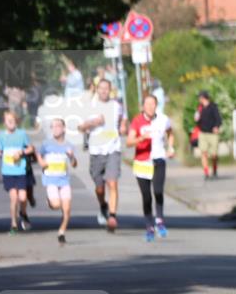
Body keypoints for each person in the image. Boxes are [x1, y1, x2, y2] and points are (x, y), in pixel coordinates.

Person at [77, 79, 126, 232]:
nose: (104, 91)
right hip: (96, 150)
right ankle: (103, 205)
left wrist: (124, 125)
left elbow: (123, 118)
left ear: (110, 90)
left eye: (107, 88)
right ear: (97, 90)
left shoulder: (116, 105)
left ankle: (112, 216)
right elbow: (80, 127)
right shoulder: (89, 106)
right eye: (101, 88)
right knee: (99, 188)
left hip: (113, 149)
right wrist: (92, 123)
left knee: (112, 183)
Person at [126, 93, 175, 242]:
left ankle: (159, 220)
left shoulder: (163, 119)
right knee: (146, 196)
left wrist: (171, 148)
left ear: (156, 105)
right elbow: (129, 142)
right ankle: (149, 226)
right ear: (143, 106)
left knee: (158, 191)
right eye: (147, 104)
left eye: (153, 104)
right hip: (142, 163)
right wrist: (141, 138)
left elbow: (170, 133)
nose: (150, 107)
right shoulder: (137, 121)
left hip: (158, 160)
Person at [0, 110, 35, 234]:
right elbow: (0, 152)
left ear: (16, 121)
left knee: (23, 197)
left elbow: (31, 148)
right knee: (14, 198)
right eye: (8, 120)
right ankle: (14, 224)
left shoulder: (22, 134)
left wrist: (22, 152)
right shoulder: (1, 135)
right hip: (8, 171)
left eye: (13, 119)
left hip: (21, 170)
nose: (10, 122)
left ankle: (23, 212)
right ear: (5, 123)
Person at [35, 117, 77, 243]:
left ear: (64, 128)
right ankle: (50, 201)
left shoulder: (69, 146)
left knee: (67, 208)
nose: (55, 128)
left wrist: (72, 156)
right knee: (56, 205)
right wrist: (41, 161)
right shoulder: (47, 144)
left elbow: (74, 164)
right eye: (53, 126)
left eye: (58, 126)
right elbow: (38, 153)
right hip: (51, 180)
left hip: (64, 180)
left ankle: (62, 232)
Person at [194, 90, 222, 180]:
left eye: (200, 97)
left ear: (203, 97)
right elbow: (197, 120)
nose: (199, 99)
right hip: (203, 133)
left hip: (213, 134)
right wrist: (197, 119)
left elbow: (218, 119)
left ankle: (214, 169)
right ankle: (206, 172)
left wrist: (217, 126)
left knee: (214, 154)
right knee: (203, 152)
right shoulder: (199, 108)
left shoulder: (213, 107)